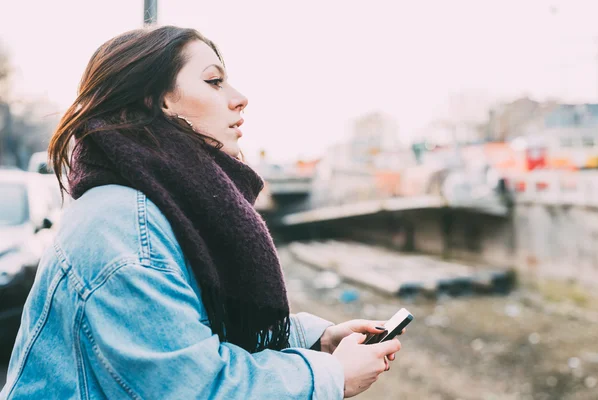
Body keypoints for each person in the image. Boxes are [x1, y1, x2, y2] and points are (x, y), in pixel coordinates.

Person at [0, 26, 403, 399]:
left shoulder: (165, 205)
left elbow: (198, 330)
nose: (239, 97)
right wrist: (332, 376)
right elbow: (196, 387)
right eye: (213, 81)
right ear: (155, 100)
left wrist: (318, 340)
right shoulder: (122, 223)